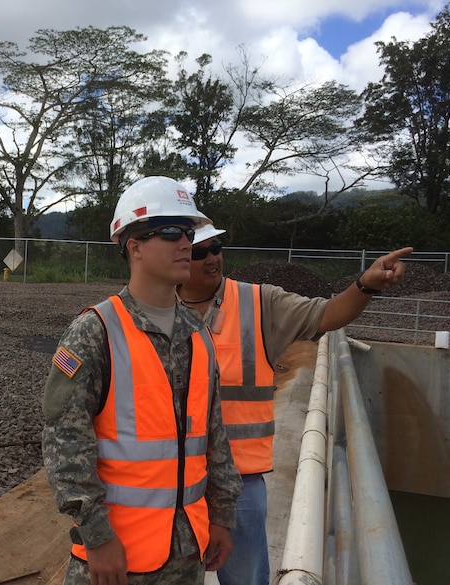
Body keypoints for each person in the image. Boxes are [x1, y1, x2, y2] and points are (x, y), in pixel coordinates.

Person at [177, 221, 413, 585]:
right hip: (173, 480)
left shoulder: (259, 302)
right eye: (199, 252)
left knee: (245, 578)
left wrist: (366, 285)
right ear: (176, 255)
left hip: (241, 481)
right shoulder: (155, 311)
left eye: (217, 248)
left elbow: (328, 314)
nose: (212, 259)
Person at [41, 176, 243, 585]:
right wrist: (96, 537)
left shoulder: (197, 333)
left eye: (188, 232)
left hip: (187, 550)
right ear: (133, 246)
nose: (186, 243)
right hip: (116, 558)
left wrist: (221, 515)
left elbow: (214, 434)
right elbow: (65, 440)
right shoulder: (95, 330)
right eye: (170, 232)